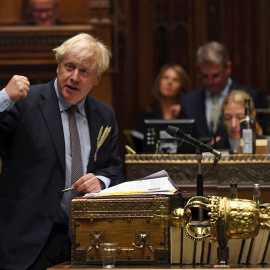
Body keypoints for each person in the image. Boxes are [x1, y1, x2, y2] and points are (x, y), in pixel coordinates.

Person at [0, 33, 124, 270]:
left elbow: (114, 168)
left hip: (84, 240)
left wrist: (101, 180)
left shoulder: (104, 114)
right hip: (25, 240)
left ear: (97, 79)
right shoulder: (25, 102)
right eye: (69, 67)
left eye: (84, 71)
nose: (74, 77)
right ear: (58, 66)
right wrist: (4, 98)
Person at [179, 41, 264, 142]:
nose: (210, 82)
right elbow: (181, 141)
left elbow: (259, 134)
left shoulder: (251, 97)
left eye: (215, 76)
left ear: (227, 68)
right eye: (205, 76)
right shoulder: (188, 101)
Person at [131, 63, 191, 152]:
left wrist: (184, 112)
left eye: (175, 80)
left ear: (181, 86)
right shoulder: (145, 114)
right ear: (159, 81)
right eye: (166, 78)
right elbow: (135, 148)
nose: (169, 82)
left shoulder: (187, 113)